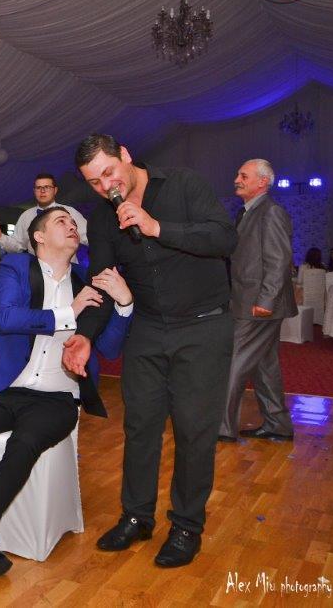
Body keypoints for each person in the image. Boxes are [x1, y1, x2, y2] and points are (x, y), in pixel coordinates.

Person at [0, 208, 133, 590]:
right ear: (38, 236)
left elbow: (108, 347)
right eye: (61, 222)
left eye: (74, 223)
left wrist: (124, 304)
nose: (71, 226)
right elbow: (7, 318)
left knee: (24, 443)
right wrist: (68, 312)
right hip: (6, 387)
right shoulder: (16, 268)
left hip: (57, 398)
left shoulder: (87, 283)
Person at [66, 134, 237, 568]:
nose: (106, 186)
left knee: (193, 431)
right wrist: (85, 335)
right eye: (94, 182)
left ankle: (186, 526)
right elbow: (102, 283)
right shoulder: (102, 219)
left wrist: (157, 227)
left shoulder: (183, 184)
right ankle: (136, 517)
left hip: (203, 326)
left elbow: (223, 237)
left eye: (109, 172)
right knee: (140, 426)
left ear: (125, 155)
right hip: (147, 328)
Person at [219, 160, 296, 442]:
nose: (236, 179)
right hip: (249, 302)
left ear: (263, 182)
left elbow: (279, 261)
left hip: (259, 305)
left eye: (244, 176)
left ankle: (221, 427)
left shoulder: (271, 212)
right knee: (265, 366)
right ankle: (278, 425)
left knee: (232, 362)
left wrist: (266, 300)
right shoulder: (246, 212)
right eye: (237, 174)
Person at [0, 173, 88, 257]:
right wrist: (0, 236)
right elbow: (17, 246)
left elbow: (89, 237)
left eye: (47, 187)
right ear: (34, 191)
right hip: (36, 271)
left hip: (67, 270)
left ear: (55, 190)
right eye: (38, 188)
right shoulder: (26, 216)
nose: (42, 191)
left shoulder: (70, 213)